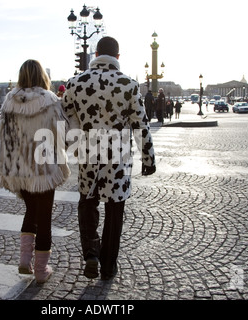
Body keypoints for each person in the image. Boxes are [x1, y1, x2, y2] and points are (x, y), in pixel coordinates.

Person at [62, 36, 156, 281]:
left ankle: (91, 253)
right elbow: (140, 125)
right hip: (118, 156)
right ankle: (108, 265)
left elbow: (66, 118)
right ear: (118, 57)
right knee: (115, 209)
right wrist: (148, 158)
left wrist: (74, 142)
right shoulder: (129, 85)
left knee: (87, 202)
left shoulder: (75, 83)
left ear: (95, 56)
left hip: (89, 153)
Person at [0, 59, 70, 284]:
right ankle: (40, 269)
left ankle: (25, 259)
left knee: (31, 212)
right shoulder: (50, 100)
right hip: (43, 168)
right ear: (42, 76)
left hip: (18, 169)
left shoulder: (9, 101)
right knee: (44, 217)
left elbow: (3, 135)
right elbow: (63, 134)